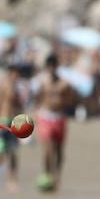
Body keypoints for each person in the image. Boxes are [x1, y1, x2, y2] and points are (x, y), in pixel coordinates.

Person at [34, 55, 78, 192]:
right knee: (48, 149)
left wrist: (63, 103)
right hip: (45, 117)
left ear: (57, 67)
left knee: (59, 150)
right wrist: (37, 112)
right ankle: (46, 175)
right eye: (49, 66)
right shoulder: (43, 83)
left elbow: (72, 99)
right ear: (47, 68)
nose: (51, 69)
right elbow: (38, 98)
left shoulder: (64, 84)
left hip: (59, 117)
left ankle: (57, 177)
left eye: (54, 66)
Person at [0, 64, 29, 191]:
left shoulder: (17, 88)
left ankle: (12, 180)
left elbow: (19, 106)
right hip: (3, 122)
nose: (17, 75)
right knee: (1, 154)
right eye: (15, 73)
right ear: (10, 73)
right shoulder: (4, 85)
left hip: (14, 123)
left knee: (13, 153)